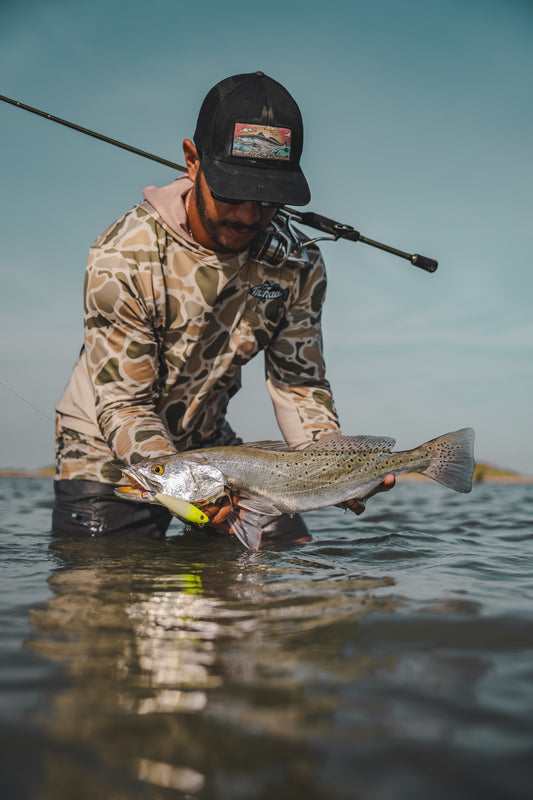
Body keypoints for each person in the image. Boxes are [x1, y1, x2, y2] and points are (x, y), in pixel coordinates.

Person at [52, 71, 394, 542]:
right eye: (234, 191)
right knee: (107, 594)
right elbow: (126, 406)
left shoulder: (298, 263)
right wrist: (186, 485)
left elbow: (300, 383)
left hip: (211, 448)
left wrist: (330, 469)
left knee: (287, 554)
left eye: (269, 198)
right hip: (106, 453)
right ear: (193, 161)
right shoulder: (122, 256)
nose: (250, 215)